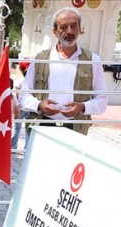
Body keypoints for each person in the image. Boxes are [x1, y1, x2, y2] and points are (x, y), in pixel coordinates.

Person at [19, 7, 107, 136]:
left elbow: (102, 100)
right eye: (63, 27)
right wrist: (39, 105)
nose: (69, 31)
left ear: (80, 29)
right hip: (42, 126)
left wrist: (82, 107)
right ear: (55, 31)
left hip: (76, 129)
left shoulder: (92, 60)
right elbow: (23, 96)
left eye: (73, 26)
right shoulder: (40, 59)